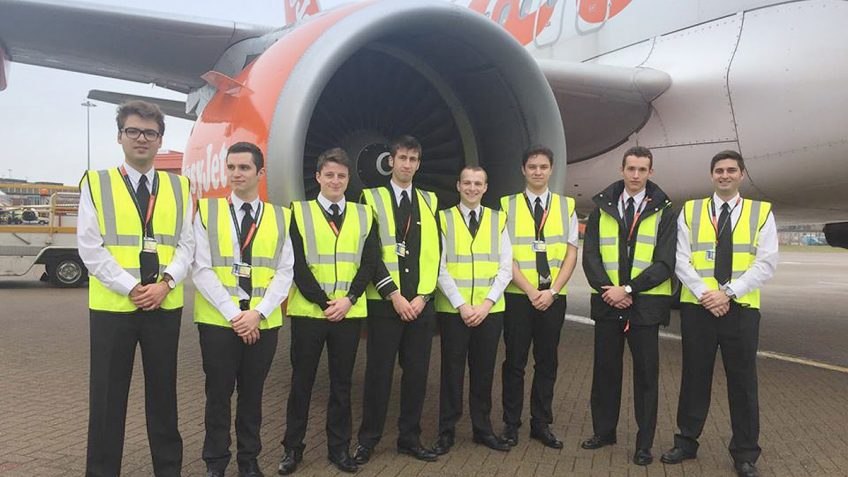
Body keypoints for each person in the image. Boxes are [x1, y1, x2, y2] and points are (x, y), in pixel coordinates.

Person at [78, 100, 193, 477]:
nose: (141, 139)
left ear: (161, 140)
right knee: (108, 399)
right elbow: (90, 249)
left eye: (150, 133)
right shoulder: (96, 183)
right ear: (120, 136)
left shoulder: (180, 187)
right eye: (133, 131)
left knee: (164, 396)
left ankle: (169, 470)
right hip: (114, 308)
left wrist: (165, 284)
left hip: (163, 306)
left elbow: (187, 245)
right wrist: (132, 287)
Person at [661, 150, 778, 477]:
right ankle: (686, 441)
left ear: (741, 174)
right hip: (698, 308)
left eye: (731, 170)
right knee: (694, 376)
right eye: (719, 170)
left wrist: (727, 293)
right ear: (711, 175)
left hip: (740, 309)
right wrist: (705, 294)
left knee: (743, 382)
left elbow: (766, 262)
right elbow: (681, 259)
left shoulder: (761, 213)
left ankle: (745, 453)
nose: (724, 175)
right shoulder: (691, 211)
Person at [278, 148, 382, 475]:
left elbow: (369, 263)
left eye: (341, 176)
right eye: (330, 175)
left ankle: (339, 448)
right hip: (311, 314)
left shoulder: (364, 215)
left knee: (341, 385)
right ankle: (292, 449)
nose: (335, 181)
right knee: (302, 384)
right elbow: (295, 265)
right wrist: (325, 302)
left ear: (348, 179)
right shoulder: (299, 212)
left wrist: (349, 298)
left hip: (348, 314)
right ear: (318, 177)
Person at [192, 142, 293, 477]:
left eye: (244, 168)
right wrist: (235, 314)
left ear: (259, 173)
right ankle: (216, 463)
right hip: (220, 322)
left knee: (252, 397)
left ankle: (248, 462)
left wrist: (258, 313)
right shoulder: (207, 212)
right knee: (218, 396)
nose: (236, 174)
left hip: (262, 323)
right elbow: (201, 269)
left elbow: (285, 271)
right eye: (231, 167)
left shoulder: (281, 216)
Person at [580, 146, 676, 466]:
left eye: (642, 169)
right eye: (630, 168)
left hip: (645, 306)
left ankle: (644, 443)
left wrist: (630, 288)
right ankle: (604, 431)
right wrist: (610, 290)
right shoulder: (601, 208)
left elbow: (665, 262)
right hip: (609, 303)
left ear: (651, 172)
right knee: (605, 372)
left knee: (646, 378)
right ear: (622, 169)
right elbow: (591, 256)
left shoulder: (664, 211)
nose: (635, 175)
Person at [353, 135, 441, 464]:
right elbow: (370, 252)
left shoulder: (430, 201)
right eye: (402, 158)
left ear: (419, 163)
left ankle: (410, 437)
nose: (407, 165)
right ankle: (368, 439)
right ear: (391, 161)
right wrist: (394, 295)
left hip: (420, 304)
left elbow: (435, 252)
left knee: (417, 374)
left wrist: (422, 296)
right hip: (386, 304)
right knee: (378, 373)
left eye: (413, 159)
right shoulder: (370, 197)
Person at [499, 145, 578, 449]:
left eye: (543, 167)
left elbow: (571, 253)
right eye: (532, 166)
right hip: (520, 296)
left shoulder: (566, 206)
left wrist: (552, 291)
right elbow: (506, 257)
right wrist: (532, 291)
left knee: (547, 362)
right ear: (523, 170)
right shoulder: (507, 206)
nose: (537, 171)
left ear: (551, 169)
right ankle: (510, 424)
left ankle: (540, 423)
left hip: (553, 297)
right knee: (514, 362)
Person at [431, 166, 513, 455]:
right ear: (458, 186)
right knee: (451, 371)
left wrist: (487, 304)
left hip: (489, 311)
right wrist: (462, 305)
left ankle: (482, 428)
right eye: (467, 183)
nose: (472, 188)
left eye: (478, 183)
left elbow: (506, 267)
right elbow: (438, 268)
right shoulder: (442, 219)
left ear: (486, 187)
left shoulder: (498, 219)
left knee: (483, 371)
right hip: (455, 311)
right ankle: (446, 430)